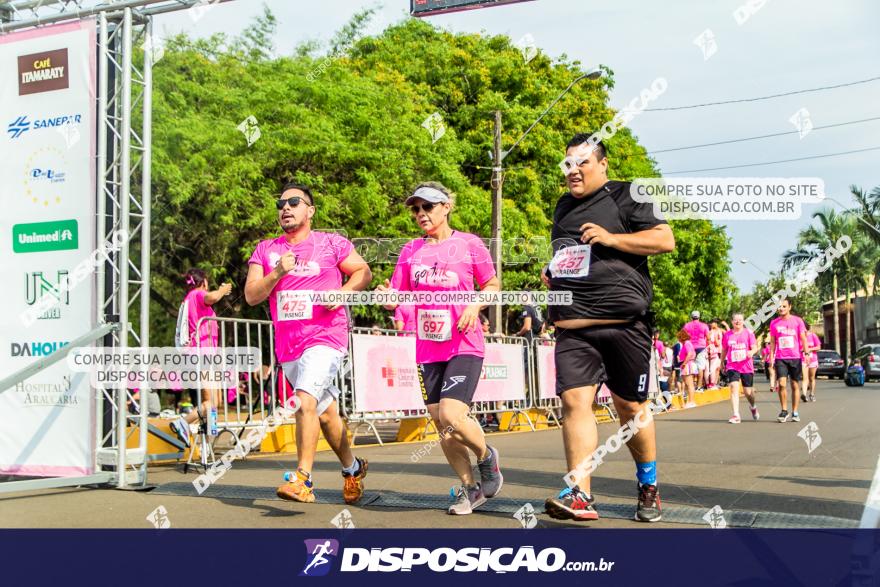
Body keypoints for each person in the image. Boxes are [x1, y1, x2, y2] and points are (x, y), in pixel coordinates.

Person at [541, 133, 675, 523]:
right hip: (573, 326)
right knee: (573, 402)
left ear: (602, 164)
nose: (573, 171)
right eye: (567, 163)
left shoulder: (627, 195)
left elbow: (665, 239)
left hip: (625, 324)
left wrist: (611, 238)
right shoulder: (563, 206)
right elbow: (573, 255)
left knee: (630, 408)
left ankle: (648, 485)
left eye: (582, 162)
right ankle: (580, 492)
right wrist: (555, 271)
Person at [378, 181, 503, 515]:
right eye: (416, 208)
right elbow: (398, 294)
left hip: (464, 342)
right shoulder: (409, 252)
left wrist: (475, 306)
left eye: (428, 206)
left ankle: (486, 457)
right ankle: (470, 489)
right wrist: (387, 299)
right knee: (442, 424)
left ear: (447, 206)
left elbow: (491, 284)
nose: (421, 214)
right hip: (428, 347)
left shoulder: (470, 245)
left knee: (451, 414)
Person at [244, 182, 372, 505]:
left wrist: (340, 295)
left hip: (326, 338)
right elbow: (251, 295)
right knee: (326, 415)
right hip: (290, 347)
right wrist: (276, 273)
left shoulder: (331, 243)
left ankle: (303, 478)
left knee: (303, 401)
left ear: (310, 210)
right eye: (281, 202)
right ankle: (352, 469)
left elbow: (363, 272)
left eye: (294, 202)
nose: (285, 208)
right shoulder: (266, 250)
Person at [169, 269, 232, 447]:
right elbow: (211, 298)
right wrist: (223, 290)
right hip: (201, 354)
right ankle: (184, 422)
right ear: (203, 282)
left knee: (215, 402)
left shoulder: (189, 299)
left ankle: (206, 440)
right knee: (210, 401)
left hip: (204, 355)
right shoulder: (196, 294)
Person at [768, 299, 808, 423]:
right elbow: (773, 342)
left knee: (795, 385)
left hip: (795, 357)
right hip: (781, 358)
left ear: (789, 307)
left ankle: (795, 412)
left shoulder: (798, 321)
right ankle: (784, 410)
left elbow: (803, 339)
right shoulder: (774, 323)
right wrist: (771, 358)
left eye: (784, 306)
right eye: (779, 307)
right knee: (781, 384)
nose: (781, 308)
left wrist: (806, 353)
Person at [721, 313, 760, 423]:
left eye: (740, 320)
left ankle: (753, 406)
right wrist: (721, 362)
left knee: (748, 392)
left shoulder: (748, 333)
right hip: (732, 366)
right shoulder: (727, 335)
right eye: (735, 320)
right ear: (732, 322)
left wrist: (751, 352)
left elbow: (755, 347)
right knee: (734, 387)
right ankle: (736, 415)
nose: (738, 322)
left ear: (743, 321)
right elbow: (724, 349)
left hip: (746, 366)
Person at [683, 311, 710, 390]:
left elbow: (683, 336)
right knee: (700, 368)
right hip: (701, 347)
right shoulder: (704, 325)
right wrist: (707, 348)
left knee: (690, 366)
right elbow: (708, 338)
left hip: (690, 348)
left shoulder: (687, 325)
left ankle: (691, 386)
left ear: (691, 317)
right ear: (699, 316)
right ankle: (699, 386)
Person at [677, 329, 698, 408]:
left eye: (679, 337)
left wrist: (684, 363)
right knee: (688, 384)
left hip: (687, 365)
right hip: (688, 364)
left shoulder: (687, 343)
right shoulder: (687, 343)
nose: (678, 339)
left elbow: (689, 354)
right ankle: (690, 401)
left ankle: (691, 401)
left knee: (689, 384)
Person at [802, 324, 821, 402]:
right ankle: (804, 394)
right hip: (803, 360)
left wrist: (810, 349)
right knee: (805, 378)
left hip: (813, 360)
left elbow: (818, 347)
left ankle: (812, 394)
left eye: (805, 330)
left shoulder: (813, 336)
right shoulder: (800, 337)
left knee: (811, 378)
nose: (804, 332)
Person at [707, 319, 724, 389]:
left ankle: (715, 383)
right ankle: (712, 383)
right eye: (711, 323)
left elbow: (729, 332)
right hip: (714, 352)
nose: (712, 324)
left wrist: (726, 325)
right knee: (713, 368)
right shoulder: (710, 332)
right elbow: (716, 343)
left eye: (713, 323)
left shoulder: (720, 330)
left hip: (720, 351)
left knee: (717, 368)